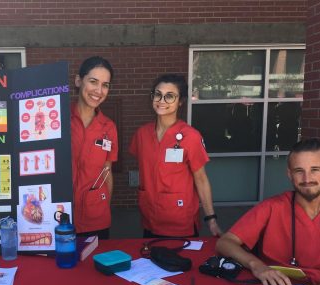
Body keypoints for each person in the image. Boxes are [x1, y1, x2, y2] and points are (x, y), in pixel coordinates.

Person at [216, 138, 320, 285]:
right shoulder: (272, 207)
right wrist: (257, 266)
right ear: (289, 174)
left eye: (315, 169)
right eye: (299, 171)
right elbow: (224, 243)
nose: (307, 179)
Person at [129, 74, 222, 238]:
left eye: (170, 96)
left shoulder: (190, 137)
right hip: (150, 218)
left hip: (180, 220)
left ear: (180, 101)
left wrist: (211, 219)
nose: (162, 100)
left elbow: (201, 179)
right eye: (158, 94)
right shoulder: (142, 134)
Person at [71, 56, 118, 240]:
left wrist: (105, 206)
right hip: (61, 216)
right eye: (93, 82)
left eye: (105, 85)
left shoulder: (108, 127)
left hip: (96, 217)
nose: (99, 91)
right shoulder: (56, 120)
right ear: (78, 81)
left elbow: (107, 170)